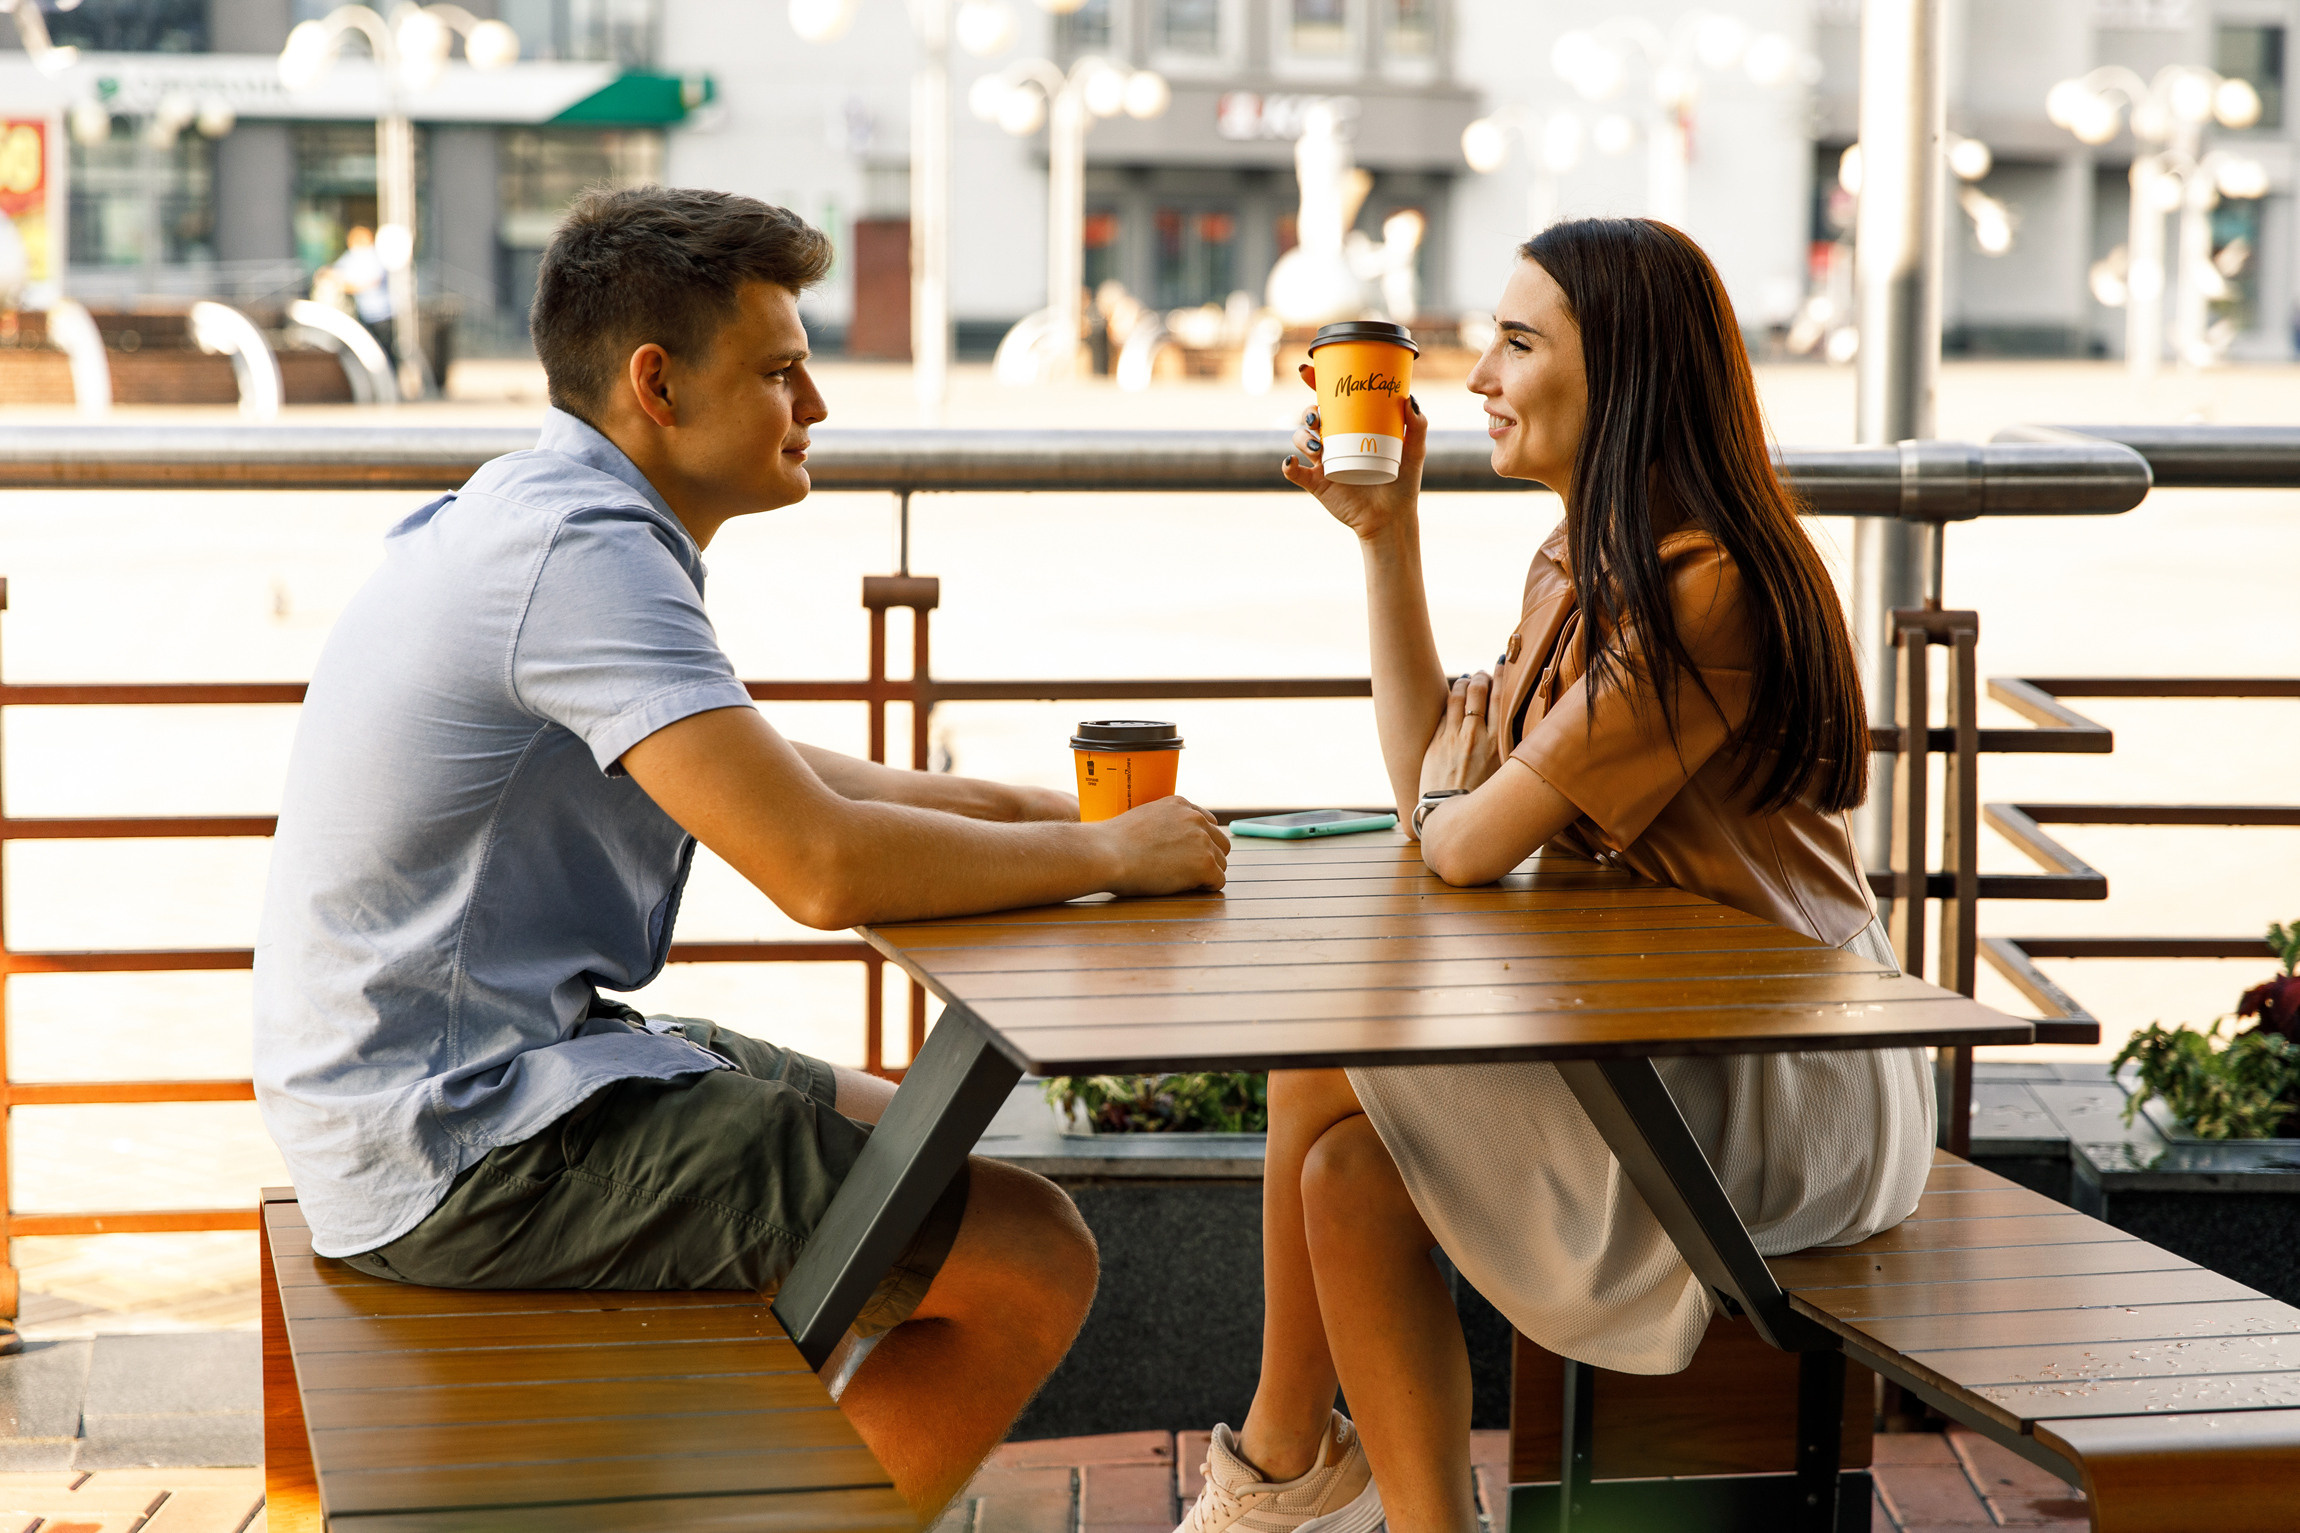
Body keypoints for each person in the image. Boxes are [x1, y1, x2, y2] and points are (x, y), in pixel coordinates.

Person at [254, 186, 1230, 1526]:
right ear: (657, 384)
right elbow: (823, 866)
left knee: (914, 1149)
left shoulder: (543, 511)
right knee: (1027, 1255)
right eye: (781, 371)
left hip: (482, 1082)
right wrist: (1112, 860)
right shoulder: (580, 553)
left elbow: (785, 772)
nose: (816, 405)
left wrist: (1053, 822)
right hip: (463, 1144)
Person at [1174, 218, 1929, 1533]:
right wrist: (1387, 540)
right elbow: (1439, 800)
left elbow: (1458, 839)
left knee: (1320, 1060)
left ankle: (1281, 1470)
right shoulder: (1578, 561)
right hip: (1653, 1037)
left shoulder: (1709, 585)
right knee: (1344, 1174)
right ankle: (1391, 1510)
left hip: (1787, 1071)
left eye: (1519, 343)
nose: (1475, 378)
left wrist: (1463, 803)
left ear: (1624, 372)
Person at [329, 224, 395, 365]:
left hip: (381, 313)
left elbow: (372, 281)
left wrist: (349, 286)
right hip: (365, 312)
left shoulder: (373, 257)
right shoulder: (353, 257)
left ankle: (388, 378)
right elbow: (335, 272)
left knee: (385, 349)